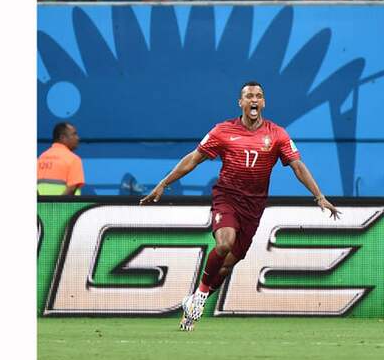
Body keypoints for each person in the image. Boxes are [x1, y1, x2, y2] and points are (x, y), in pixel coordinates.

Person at [139, 81, 341, 331]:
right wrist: (163, 183)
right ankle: (200, 296)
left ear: (263, 102)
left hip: (253, 207)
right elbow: (193, 159)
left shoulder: (277, 134)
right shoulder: (222, 131)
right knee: (224, 243)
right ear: (240, 102)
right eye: (249, 96)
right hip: (227, 197)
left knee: (226, 265)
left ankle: (193, 304)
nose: (254, 100)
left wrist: (319, 196)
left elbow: (297, 166)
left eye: (258, 96)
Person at [37, 122, 85, 195]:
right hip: (64, 203)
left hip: (41, 203)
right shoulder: (73, 159)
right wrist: (57, 202)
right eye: (74, 134)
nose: (78, 138)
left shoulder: (41, 157)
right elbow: (72, 188)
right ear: (62, 137)